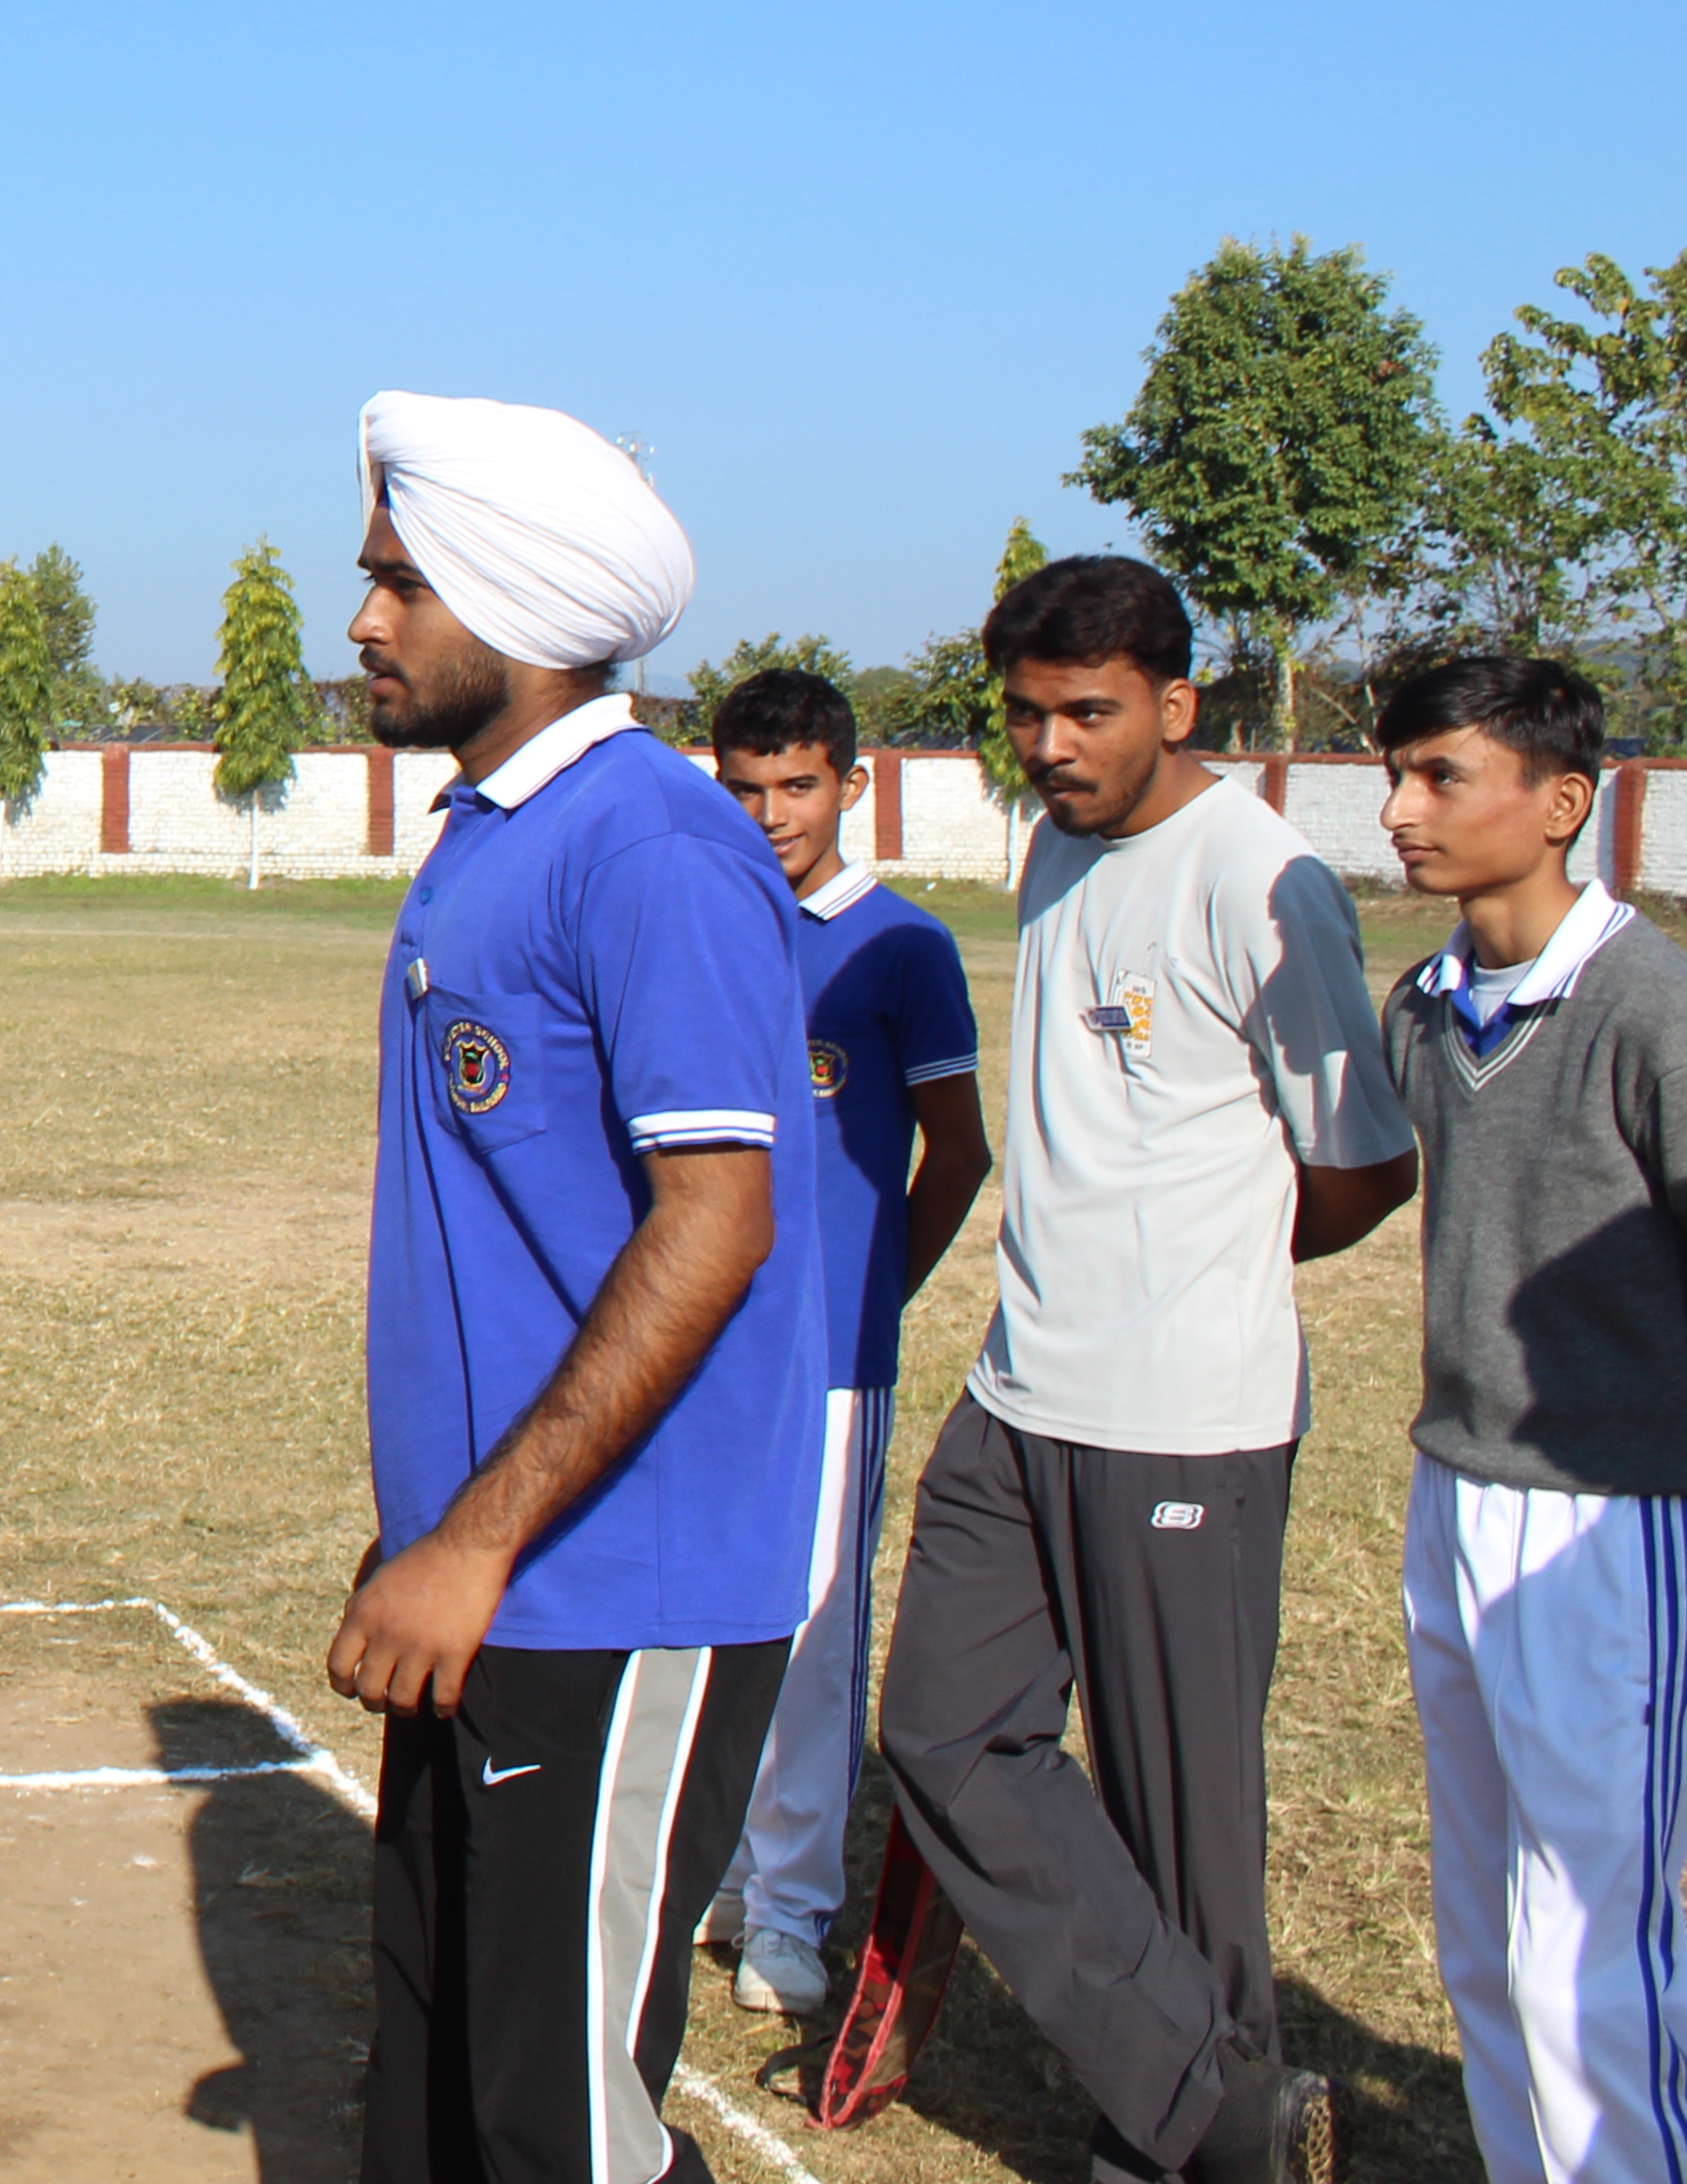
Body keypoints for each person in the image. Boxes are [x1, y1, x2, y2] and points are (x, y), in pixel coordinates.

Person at [871, 555, 1413, 2184]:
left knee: (1187, 1833)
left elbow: (1364, 1161)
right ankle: (1227, 2118)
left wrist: (1218, 1268)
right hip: (1019, 1391)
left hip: (1186, 1420)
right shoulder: (1052, 851)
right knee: (946, 1734)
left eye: (1088, 711)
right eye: (1029, 713)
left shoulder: (1263, 880)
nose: (1050, 743)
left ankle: (1173, 2141)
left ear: (1177, 705)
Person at [333, 392, 825, 2184]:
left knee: (567, 2126)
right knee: (440, 2090)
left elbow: (714, 1225)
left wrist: (481, 1537)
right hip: (492, 1584)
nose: (365, 619)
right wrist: (435, 1530)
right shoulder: (490, 830)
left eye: (398, 581)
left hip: (618, 1588)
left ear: (518, 604)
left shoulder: (654, 849)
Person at [1369, 652, 1687, 2184]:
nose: (1400, 808)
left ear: (1562, 803)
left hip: (1613, 1516)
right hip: (1456, 1491)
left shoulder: (1651, 1006)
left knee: (1589, 1933)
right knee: (1484, 1922)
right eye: (1396, 772)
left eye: (1441, 775)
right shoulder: (1422, 1008)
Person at [694, 665, 984, 2021]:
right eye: (744, 787)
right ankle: (711, 1869)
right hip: (692, 1346)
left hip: (826, 1361)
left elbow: (958, 1149)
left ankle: (791, 1904)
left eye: (797, 785)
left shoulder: (900, 948)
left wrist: (878, 1290)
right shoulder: (699, 922)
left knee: (814, 1628)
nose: (770, 814)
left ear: (851, 786)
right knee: (704, 1613)